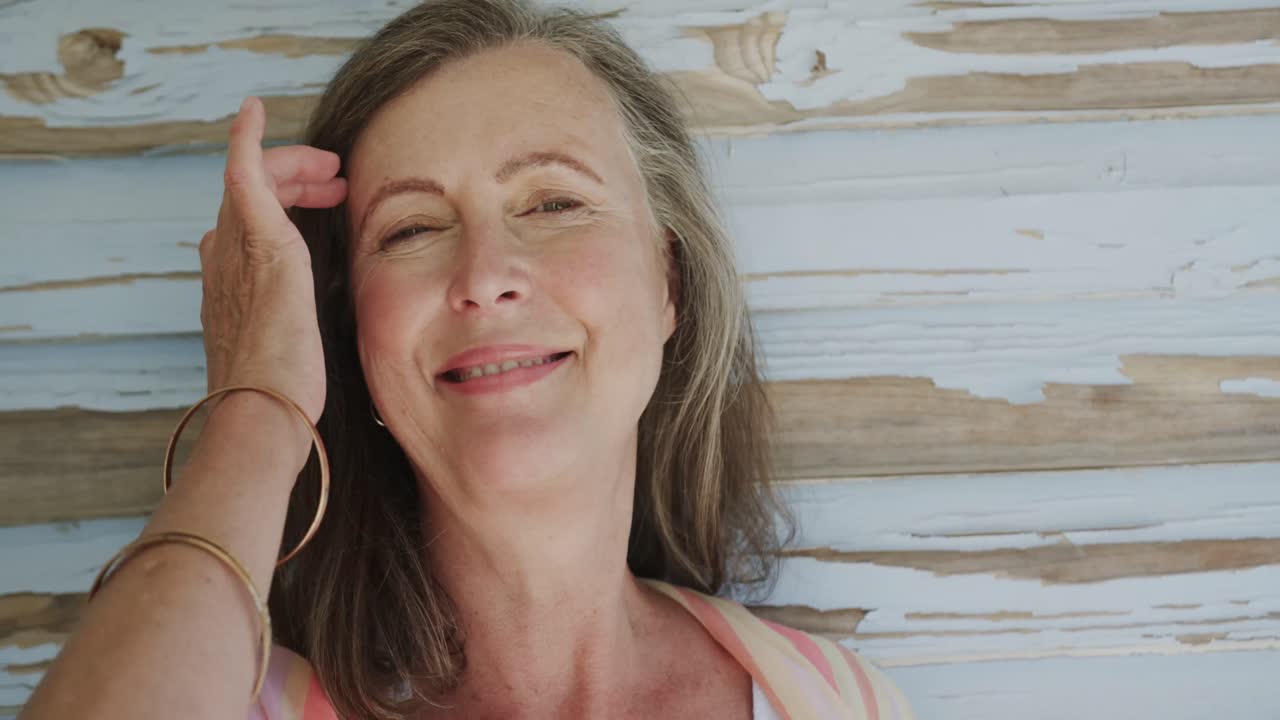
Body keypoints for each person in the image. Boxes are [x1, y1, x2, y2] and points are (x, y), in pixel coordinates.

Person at [20, 1, 914, 718]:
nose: (485, 277)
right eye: (411, 228)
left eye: (555, 203)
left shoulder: (836, 704)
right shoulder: (224, 700)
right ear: (346, 330)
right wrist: (258, 402)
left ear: (669, 281)